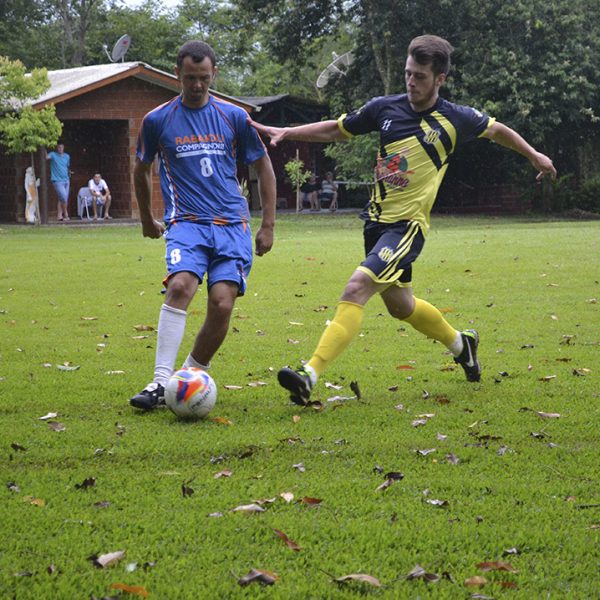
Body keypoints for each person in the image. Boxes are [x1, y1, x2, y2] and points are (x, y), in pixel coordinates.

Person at [251, 34, 556, 406]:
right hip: (376, 223)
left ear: (439, 79)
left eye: (420, 77)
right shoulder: (385, 109)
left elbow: (496, 130)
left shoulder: (455, 118)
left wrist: (533, 154)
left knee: (355, 288)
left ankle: (309, 375)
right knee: (401, 306)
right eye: (408, 74)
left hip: (407, 227)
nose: (411, 82)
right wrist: (287, 131)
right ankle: (463, 345)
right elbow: (338, 128)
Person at [129, 40, 276, 410]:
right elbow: (141, 169)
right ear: (177, 74)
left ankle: (191, 375)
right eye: (190, 78)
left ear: (215, 75)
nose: (197, 85)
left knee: (222, 304)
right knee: (180, 286)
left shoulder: (234, 117)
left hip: (232, 224)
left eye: (204, 78)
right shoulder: (157, 119)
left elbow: (263, 165)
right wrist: (147, 218)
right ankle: (161, 383)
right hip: (186, 223)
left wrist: (268, 224)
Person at [46, 142, 71, 221]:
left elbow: (67, 166)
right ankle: (66, 213)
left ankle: (59, 216)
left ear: (63, 148)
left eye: (61, 147)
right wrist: (43, 148)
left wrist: (69, 173)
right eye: (59, 147)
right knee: (64, 197)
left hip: (66, 180)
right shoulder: (53, 154)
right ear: (57, 148)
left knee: (62, 198)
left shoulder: (67, 156)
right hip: (57, 180)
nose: (60, 149)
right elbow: (46, 157)